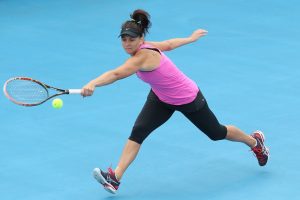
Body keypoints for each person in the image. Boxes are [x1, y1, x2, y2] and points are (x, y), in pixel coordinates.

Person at [81, 9, 270, 194]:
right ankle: (115, 178)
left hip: (187, 98)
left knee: (217, 132)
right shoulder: (146, 46)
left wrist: (93, 83)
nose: (127, 44)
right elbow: (169, 44)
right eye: (124, 39)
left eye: (132, 39)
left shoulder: (143, 55)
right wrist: (190, 38)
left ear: (141, 40)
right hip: (161, 97)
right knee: (138, 132)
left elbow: (116, 74)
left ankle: (255, 142)